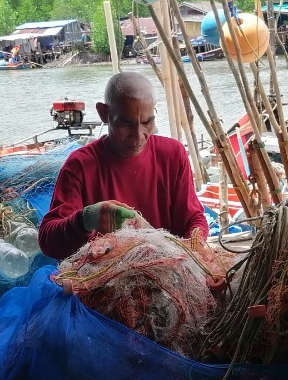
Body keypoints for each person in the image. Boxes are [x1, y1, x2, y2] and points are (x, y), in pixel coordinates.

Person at [39, 72, 209, 259]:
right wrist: (86, 219)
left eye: (147, 122)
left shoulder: (173, 154)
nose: (138, 136)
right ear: (104, 113)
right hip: (106, 271)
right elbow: (48, 241)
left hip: (167, 264)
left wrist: (195, 245)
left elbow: (193, 218)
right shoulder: (80, 165)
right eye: (126, 124)